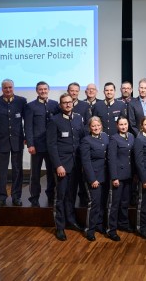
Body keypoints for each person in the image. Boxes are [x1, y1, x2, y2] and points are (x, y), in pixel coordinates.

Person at [47, 93, 85, 241]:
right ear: (60, 105)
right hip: (62, 166)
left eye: (70, 102)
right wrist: (58, 165)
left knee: (71, 195)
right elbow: (51, 145)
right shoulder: (54, 120)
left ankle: (71, 221)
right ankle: (60, 227)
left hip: (76, 165)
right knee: (60, 197)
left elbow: (81, 141)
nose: (68, 105)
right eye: (65, 103)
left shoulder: (78, 119)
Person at [0, 79, 27, 207]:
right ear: (2, 89)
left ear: (13, 88)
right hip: (1, 142)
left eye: (10, 87)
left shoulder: (21, 101)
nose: (8, 90)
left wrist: (26, 137)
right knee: (2, 171)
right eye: (5, 88)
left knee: (17, 170)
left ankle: (16, 197)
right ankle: (1, 198)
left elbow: (27, 121)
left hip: (17, 141)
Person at [24, 81, 60, 207]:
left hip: (51, 146)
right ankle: (34, 197)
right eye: (40, 89)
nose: (43, 91)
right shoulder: (30, 106)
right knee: (35, 174)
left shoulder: (55, 105)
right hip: (37, 146)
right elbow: (28, 127)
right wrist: (30, 144)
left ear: (48, 90)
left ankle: (51, 195)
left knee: (51, 173)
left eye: (45, 89)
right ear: (37, 91)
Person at [80, 116, 109, 241]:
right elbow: (86, 162)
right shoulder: (86, 141)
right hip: (94, 177)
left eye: (98, 125)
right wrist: (92, 179)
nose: (96, 128)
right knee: (94, 204)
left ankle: (99, 225)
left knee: (103, 202)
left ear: (101, 125)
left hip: (105, 176)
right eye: (93, 126)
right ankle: (89, 229)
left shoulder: (105, 137)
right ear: (89, 128)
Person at [106, 117, 134, 241]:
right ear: (117, 126)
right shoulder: (113, 139)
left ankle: (123, 224)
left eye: (125, 124)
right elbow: (111, 159)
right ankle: (111, 229)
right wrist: (114, 177)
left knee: (124, 202)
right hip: (118, 176)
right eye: (121, 124)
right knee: (114, 204)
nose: (123, 126)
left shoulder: (132, 136)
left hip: (129, 175)